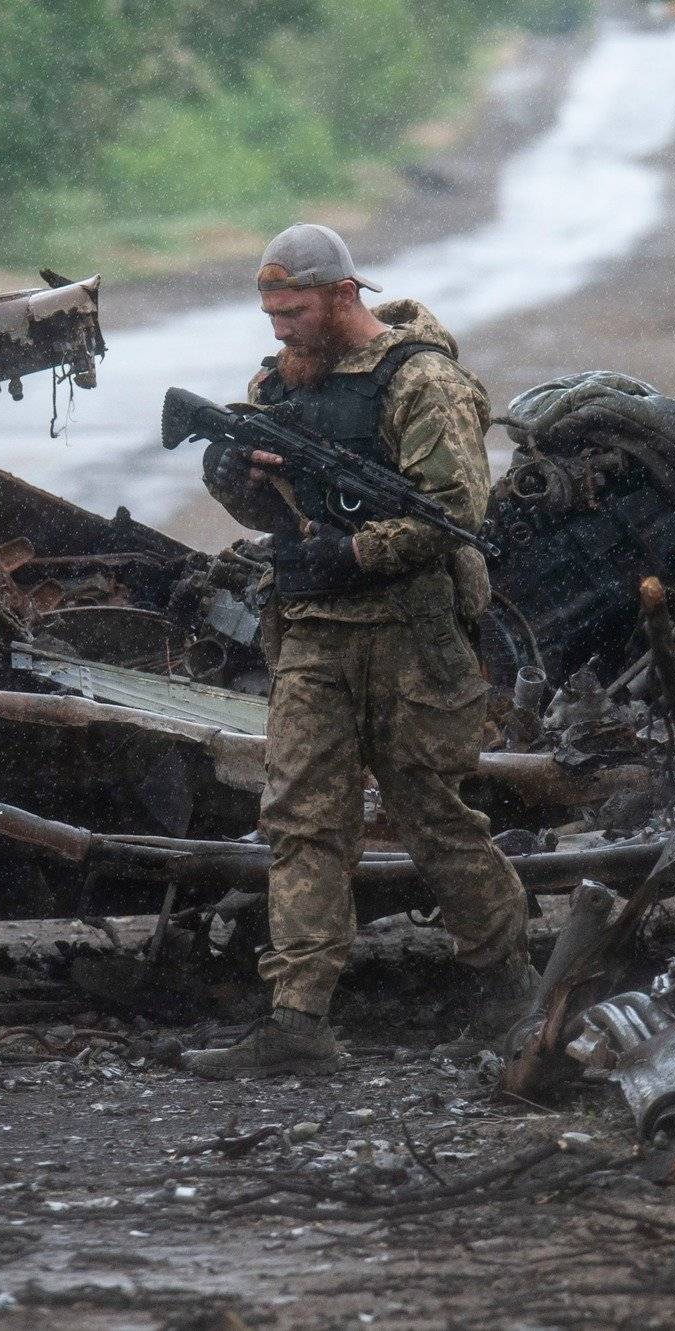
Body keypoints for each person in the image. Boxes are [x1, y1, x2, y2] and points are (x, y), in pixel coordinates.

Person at [182, 224, 535, 1080]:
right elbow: (266, 508)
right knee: (302, 820)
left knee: (432, 816)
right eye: (269, 312)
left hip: (411, 635)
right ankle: (297, 1020)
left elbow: (455, 511)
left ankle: (515, 992)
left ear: (344, 296)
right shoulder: (279, 384)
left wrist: (349, 553)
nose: (279, 329)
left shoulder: (422, 381)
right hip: (313, 636)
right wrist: (234, 470)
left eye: (293, 310)